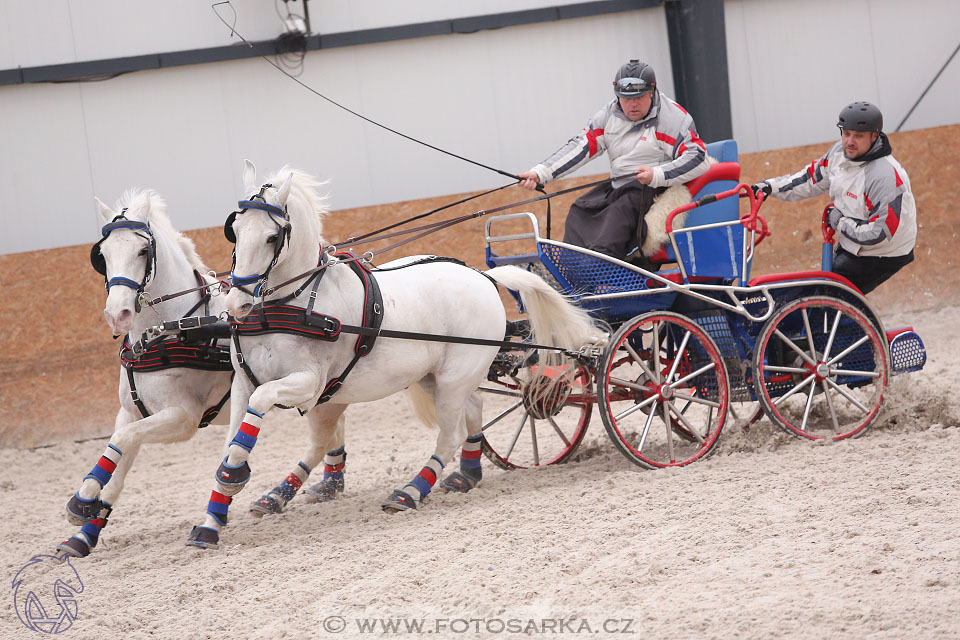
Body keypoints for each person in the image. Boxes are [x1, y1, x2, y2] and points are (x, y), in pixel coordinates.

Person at [517, 59, 709, 260]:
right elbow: (580, 147)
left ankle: (600, 264)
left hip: (653, 188)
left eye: (640, 97)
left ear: (652, 92)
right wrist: (540, 173)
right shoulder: (608, 115)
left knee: (619, 212)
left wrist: (657, 175)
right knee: (581, 208)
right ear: (617, 95)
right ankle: (570, 263)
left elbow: (699, 158)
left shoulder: (672, 119)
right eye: (626, 99)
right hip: (620, 187)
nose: (633, 104)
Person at [752, 101, 916, 295]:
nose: (849, 142)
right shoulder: (840, 153)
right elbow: (810, 179)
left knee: (825, 296)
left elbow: (879, 232)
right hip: (854, 239)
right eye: (846, 134)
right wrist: (770, 186)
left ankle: (849, 320)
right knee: (822, 290)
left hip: (882, 253)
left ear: (875, 136)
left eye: (858, 136)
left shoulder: (884, 176)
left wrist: (838, 221)